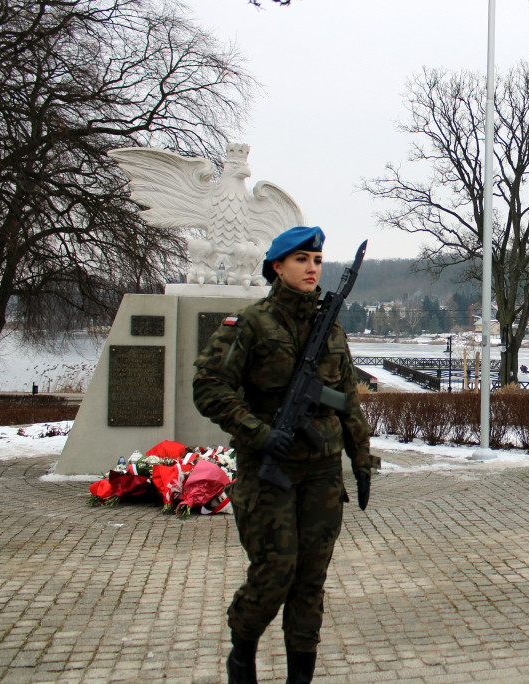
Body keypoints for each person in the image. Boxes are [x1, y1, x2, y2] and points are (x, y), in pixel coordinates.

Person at [193, 225, 373, 684]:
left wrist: (361, 457)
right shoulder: (250, 323)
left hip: (321, 472)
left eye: (318, 260)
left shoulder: (331, 328)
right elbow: (209, 387)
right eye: (301, 259)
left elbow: (347, 399)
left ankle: (299, 677)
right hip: (268, 470)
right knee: (275, 572)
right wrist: (258, 433)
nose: (312, 268)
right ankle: (242, 653)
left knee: (310, 580)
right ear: (277, 266)